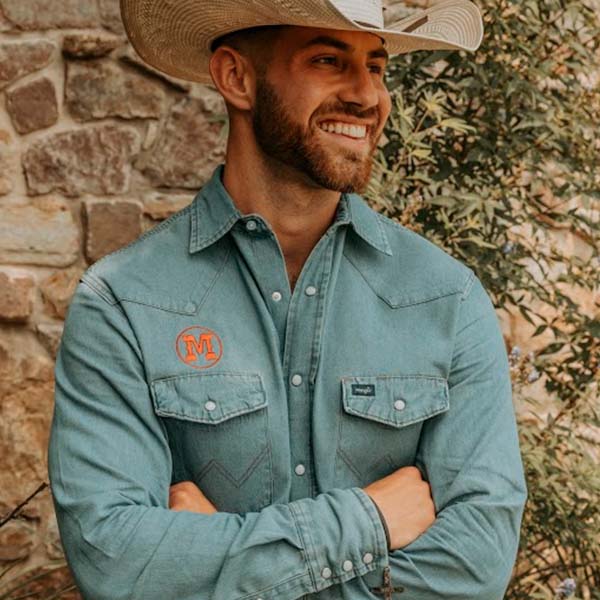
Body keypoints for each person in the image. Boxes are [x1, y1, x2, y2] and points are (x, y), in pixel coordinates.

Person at [47, 0, 528, 598]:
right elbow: (115, 560)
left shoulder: (445, 299)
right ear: (237, 78)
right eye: (329, 59)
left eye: (376, 67)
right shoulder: (122, 305)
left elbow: (476, 565)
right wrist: (372, 521)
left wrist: (225, 560)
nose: (367, 96)